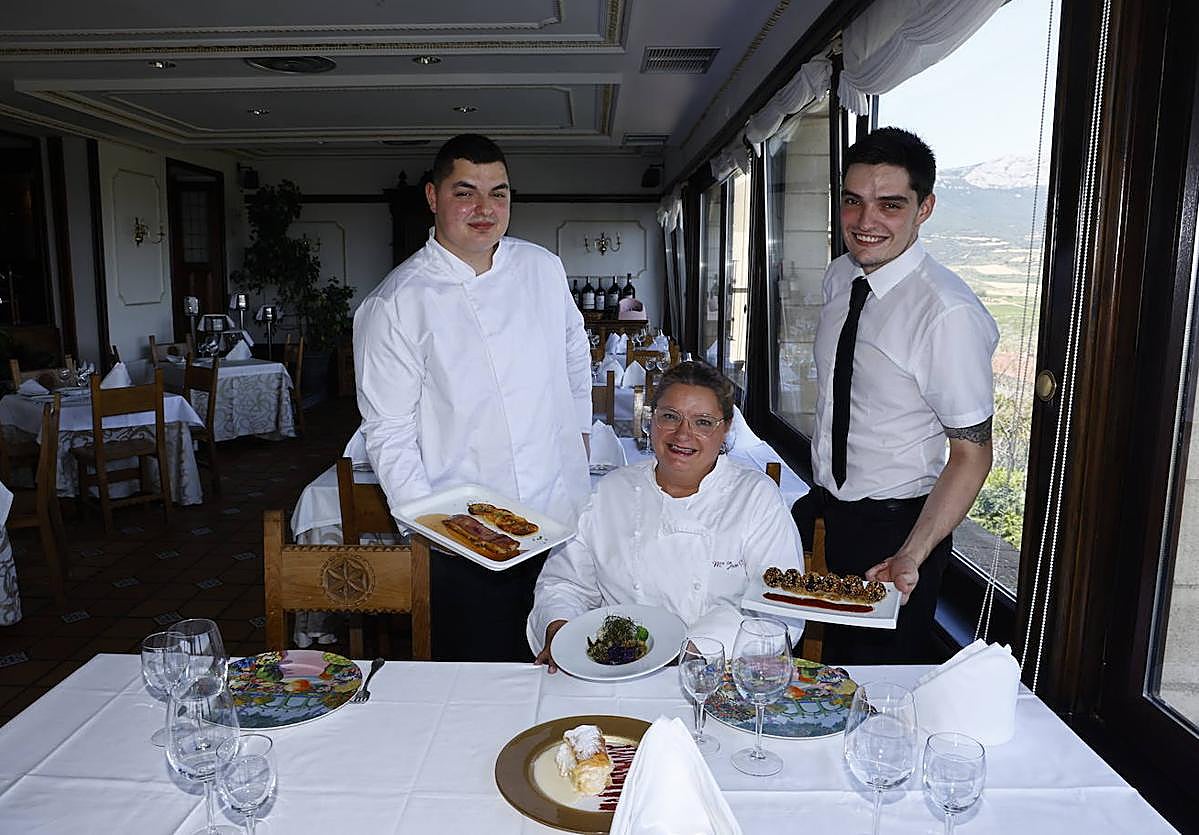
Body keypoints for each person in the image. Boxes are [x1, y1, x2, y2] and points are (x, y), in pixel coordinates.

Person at [354, 133, 593, 661]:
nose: (485, 209)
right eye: (465, 193)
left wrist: (578, 435)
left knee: (571, 666)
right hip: (469, 540)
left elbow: (575, 352)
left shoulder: (542, 268)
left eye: (498, 193)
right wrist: (435, 531)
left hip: (562, 519)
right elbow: (388, 432)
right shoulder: (396, 303)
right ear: (433, 197)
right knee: (482, 678)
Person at [805, 127, 999, 664]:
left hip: (899, 533)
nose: (865, 221)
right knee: (820, 676)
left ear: (924, 208)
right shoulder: (840, 277)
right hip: (830, 514)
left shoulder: (946, 314)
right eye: (853, 201)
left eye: (890, 205)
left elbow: (972, 454)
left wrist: (911, 552)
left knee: (876, 687)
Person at [528, 361, 805, 671]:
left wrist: (691, 652)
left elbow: (779, 610)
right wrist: (559, 630)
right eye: (670, 417)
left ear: (726, 428)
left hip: (716, 671)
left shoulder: (756, 497)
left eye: (703, 422)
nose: (683, 434)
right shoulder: (609, 492)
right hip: (611, 670)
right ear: (652, 419)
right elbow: (565, 584)